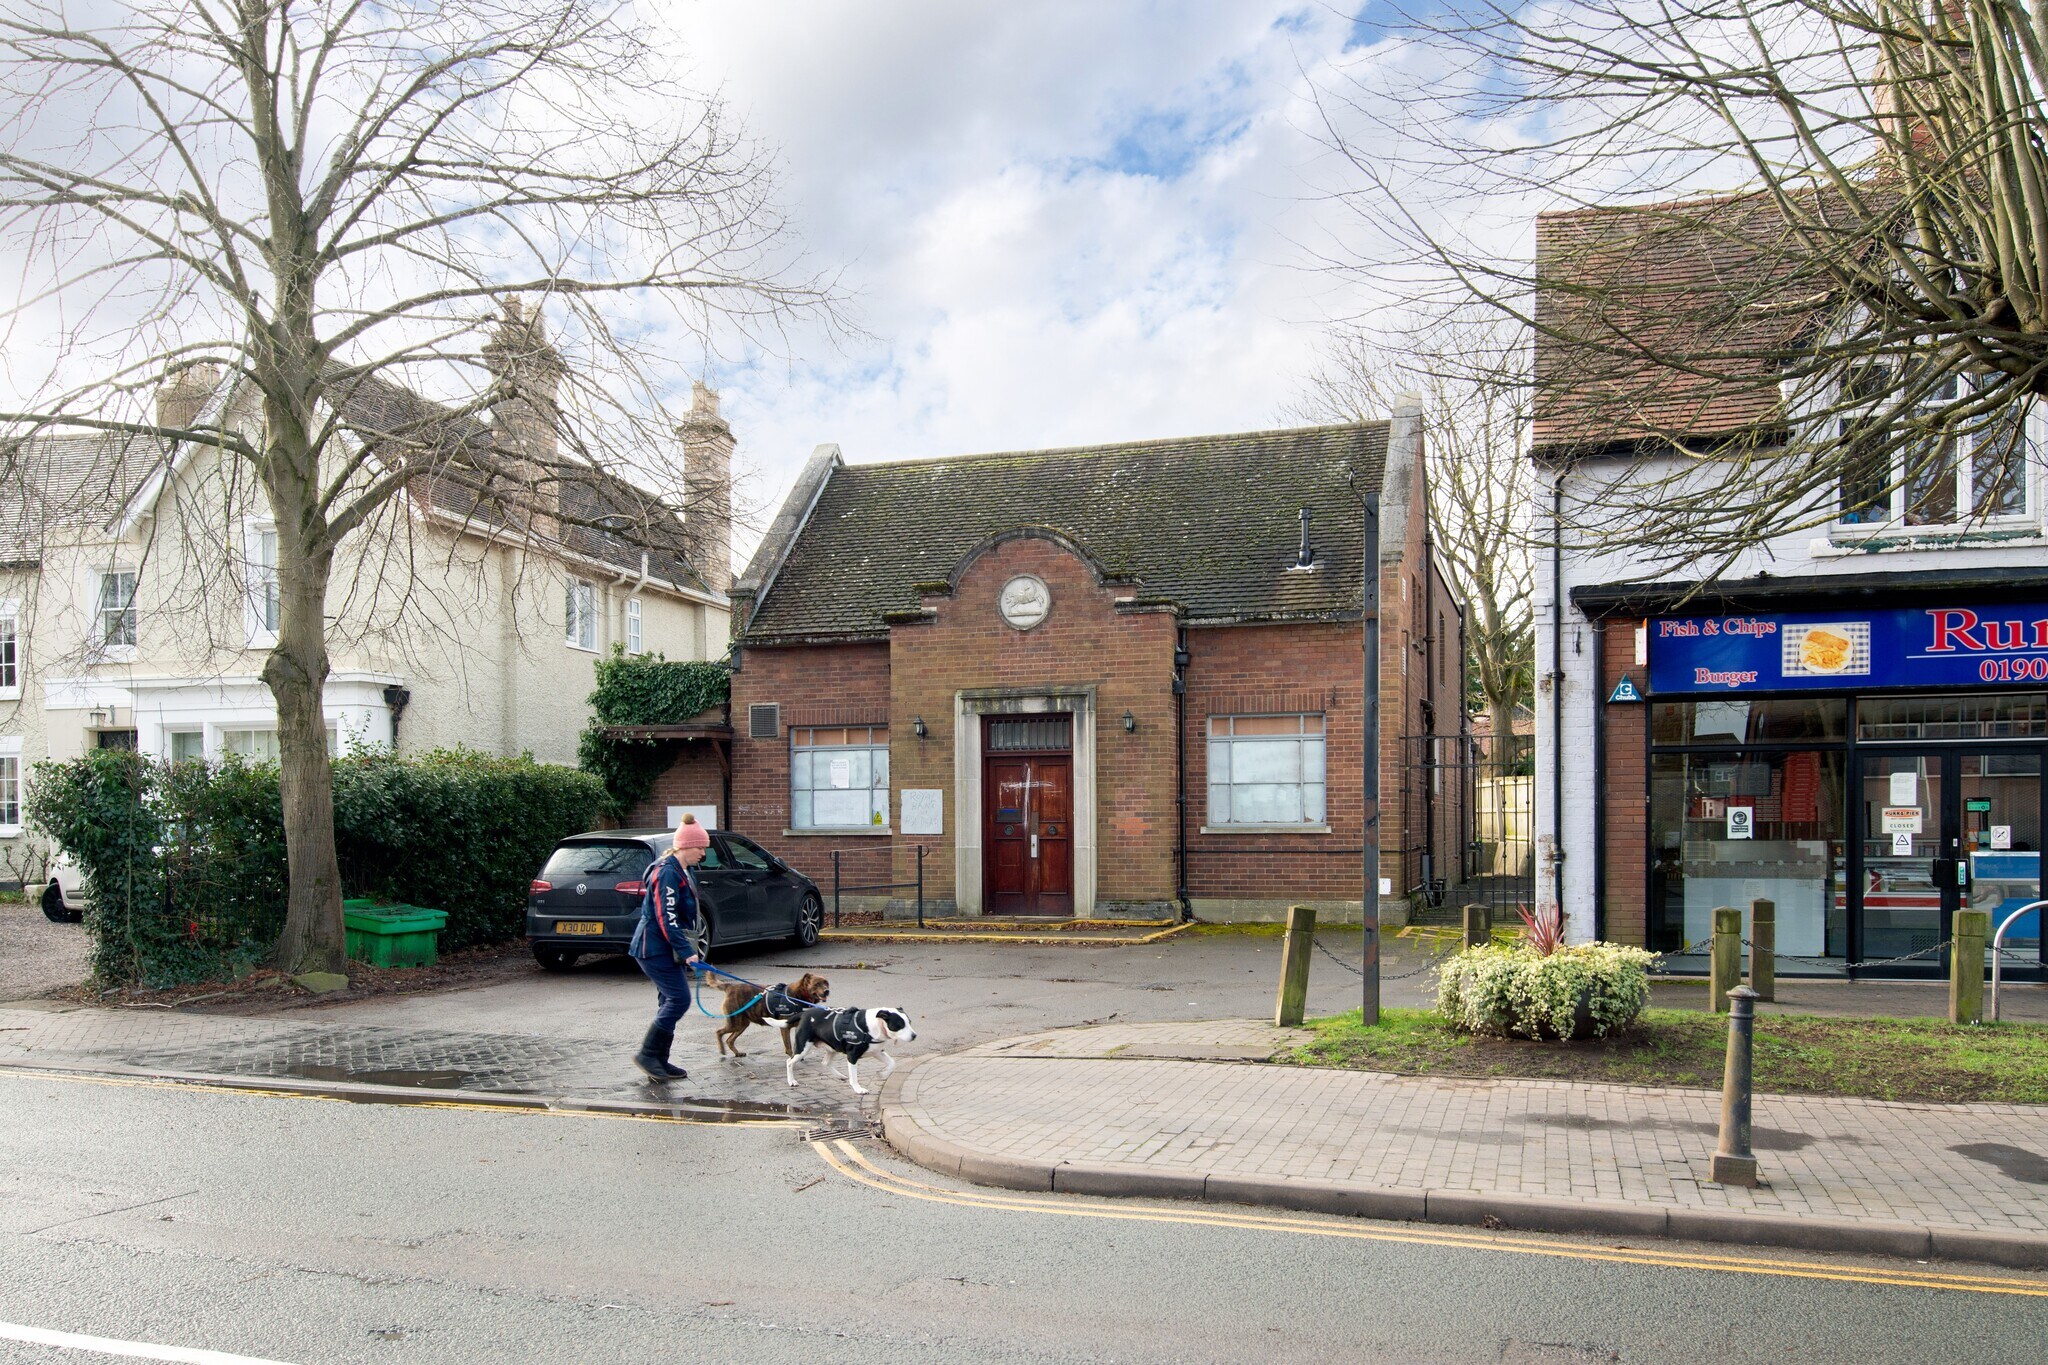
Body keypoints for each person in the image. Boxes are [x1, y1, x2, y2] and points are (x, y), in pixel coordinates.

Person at [628, 815, 710, 1080]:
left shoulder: (683, 870)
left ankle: (660, 1061)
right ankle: (647, 1055)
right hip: (652, 948)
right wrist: (687, 952)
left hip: (666, 949)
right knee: (679, 999)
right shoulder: (667, 872)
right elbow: (667, 917)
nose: (703, 852)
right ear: (685, 846)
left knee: (668, 1000)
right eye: (700, 847)